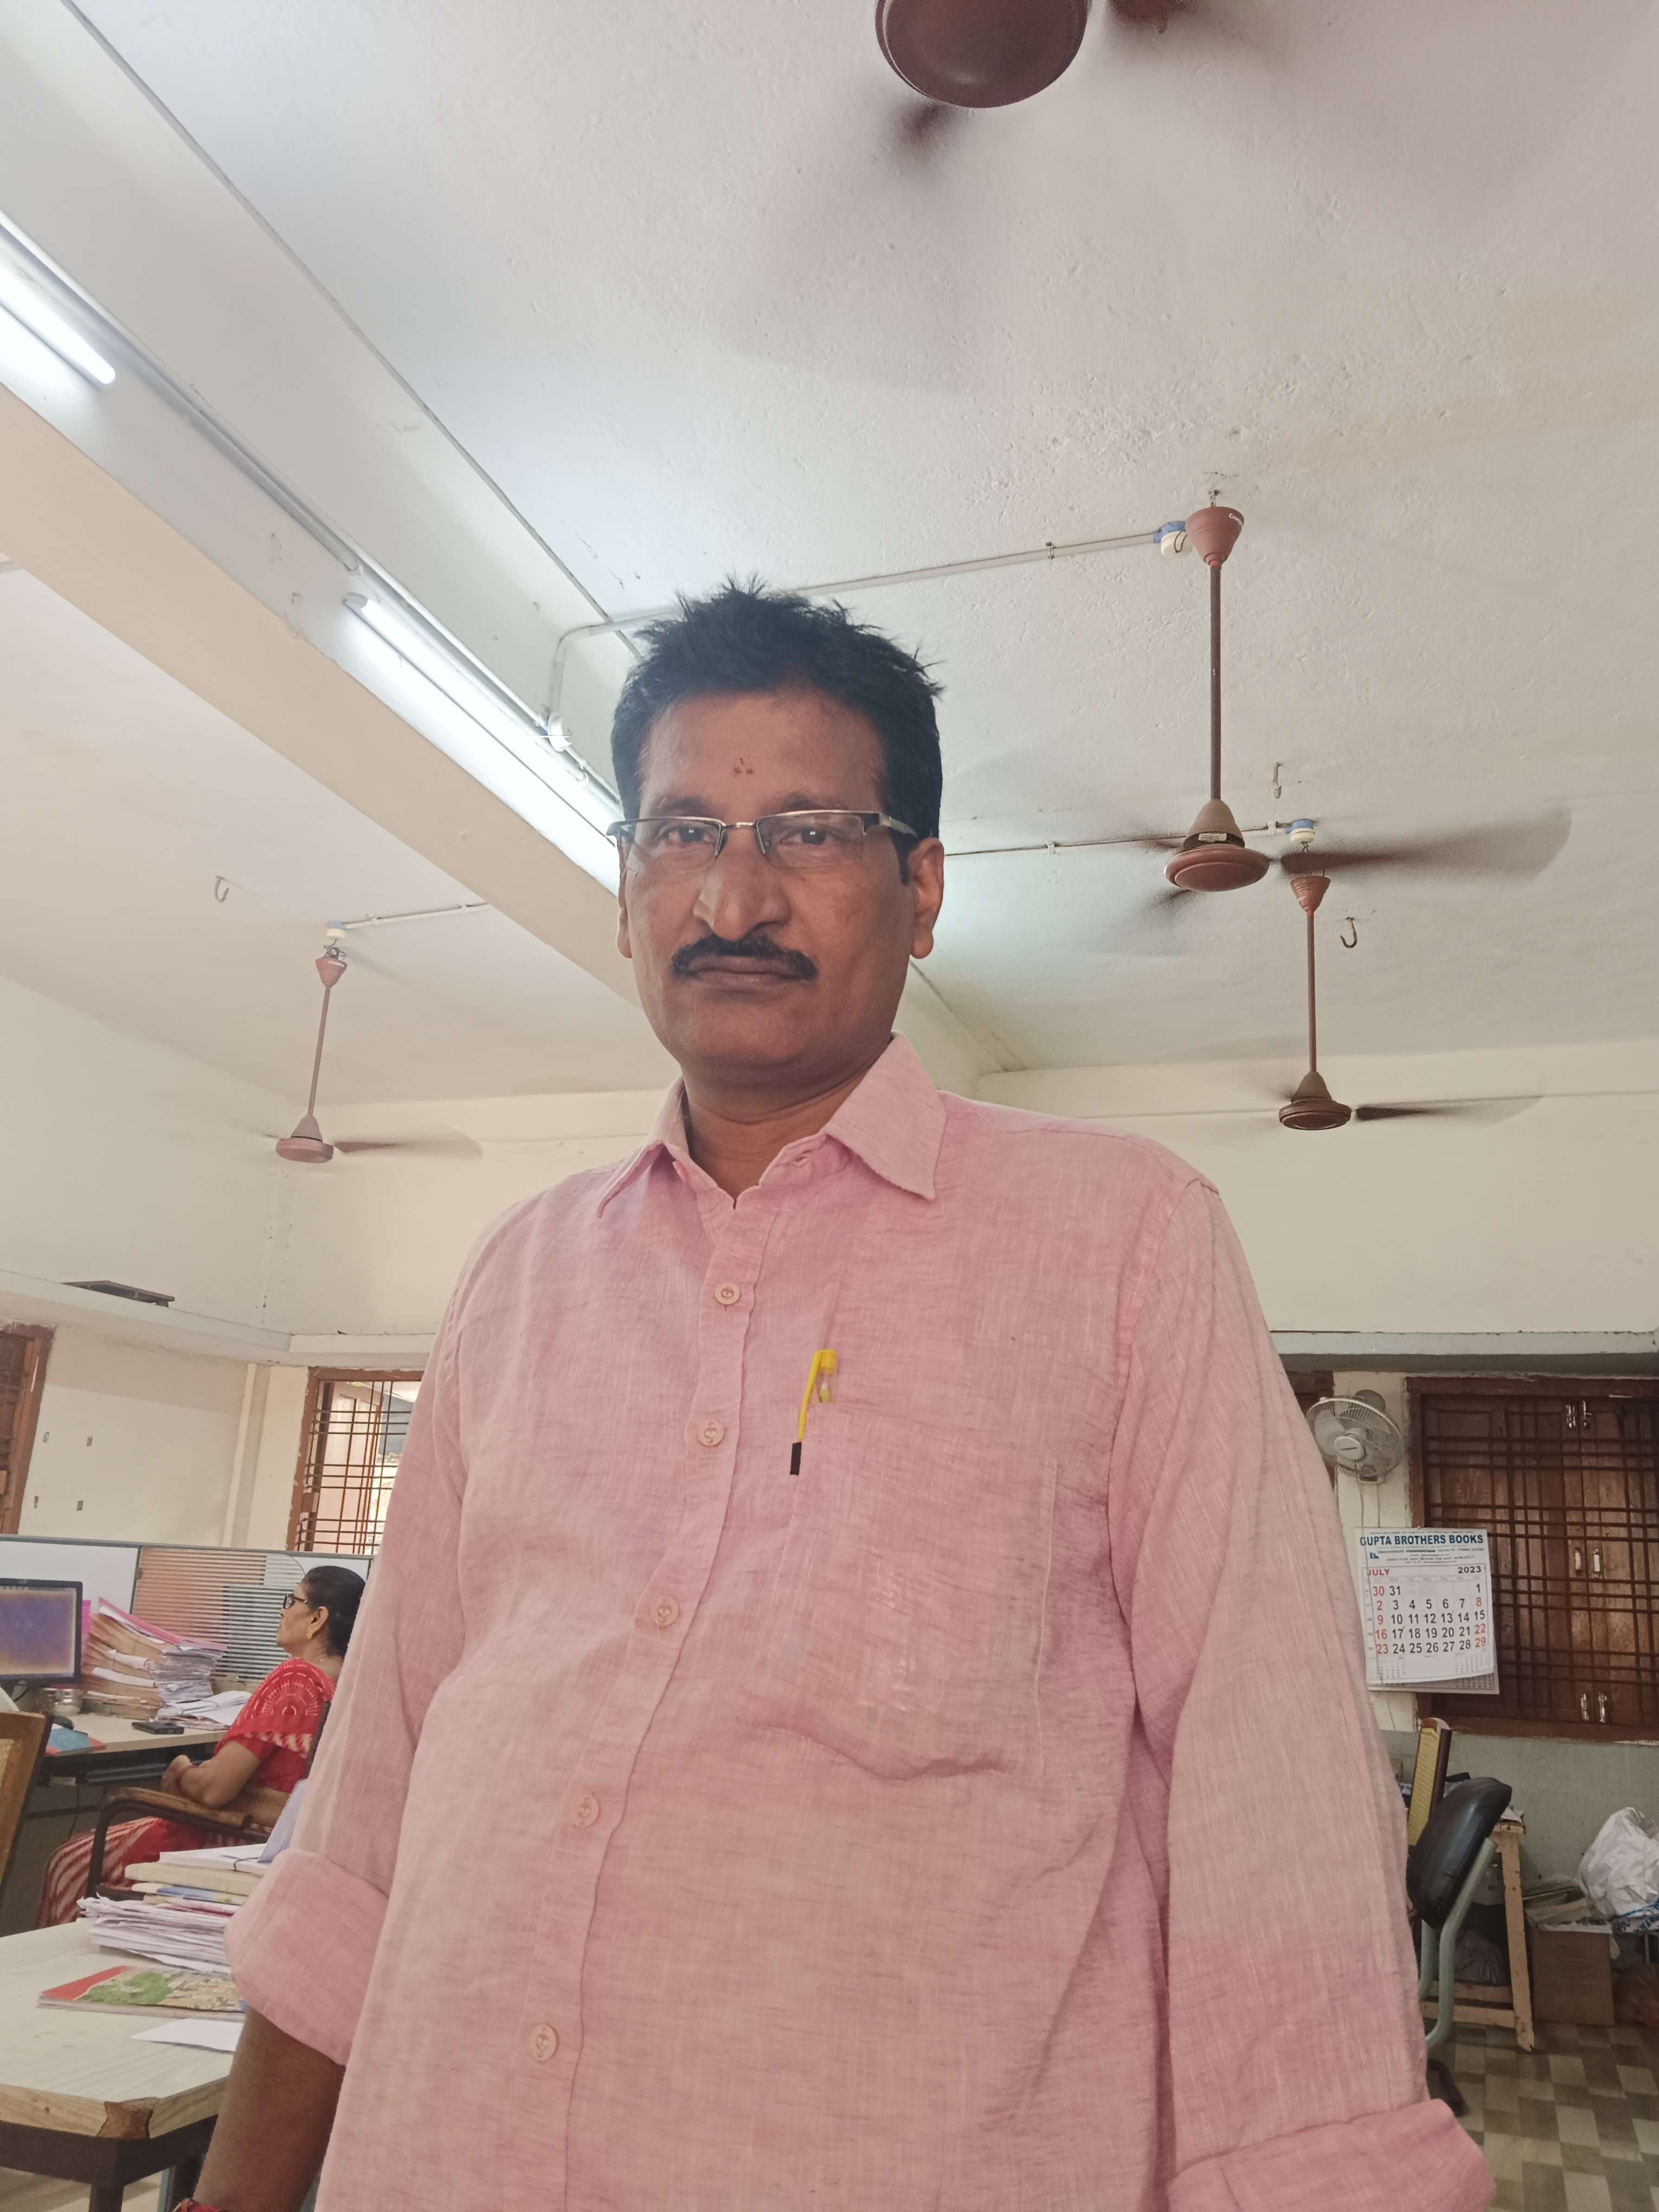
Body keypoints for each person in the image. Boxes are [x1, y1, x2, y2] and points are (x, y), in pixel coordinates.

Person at [196, 585, 1491, 2212]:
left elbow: (1271, 1801)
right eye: (682, 831)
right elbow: (371, 1795)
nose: (732, 893)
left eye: (808, 830)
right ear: (627, 884)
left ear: (922, 887)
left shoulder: (1125, 1245)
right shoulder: (518, 1276)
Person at [40, 1567, 363, 1925]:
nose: (282, 1611)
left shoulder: (296, 1678)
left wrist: (180, 1769)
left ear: (317, 1618)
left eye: (292, 1601)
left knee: (69, 1860)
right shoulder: (353, 1684)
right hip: (290, 1845)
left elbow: (212, 1790)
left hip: (236, 1844)